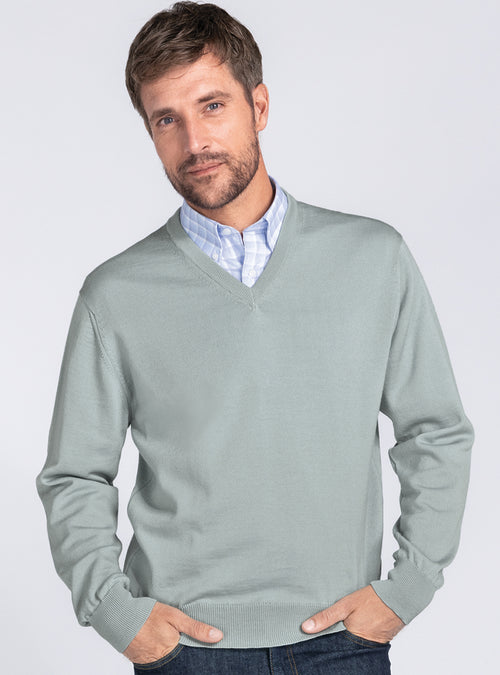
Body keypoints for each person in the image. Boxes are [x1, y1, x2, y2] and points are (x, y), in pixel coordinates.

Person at [36, 2, 474, 673]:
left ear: (258, 106)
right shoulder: (115, 294)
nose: (194, 141)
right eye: (166, 119)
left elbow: (434, 431)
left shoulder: (373, 259)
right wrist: (119, 615)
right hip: (185, 652)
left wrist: (409, 587)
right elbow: (75, 474)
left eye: (212, 106)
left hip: (343, 644)